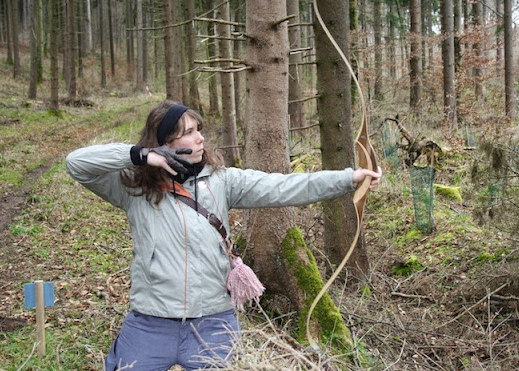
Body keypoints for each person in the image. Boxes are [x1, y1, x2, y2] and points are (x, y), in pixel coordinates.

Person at [66, 100, 382, 370]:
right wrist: (141, 155)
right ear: (164, 143)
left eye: (198, 129)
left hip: (213, 322)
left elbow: (283, 186)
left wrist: (348, 178)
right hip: (151, 322)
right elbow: (76, 164)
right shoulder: (134, 187)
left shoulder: (221, 181)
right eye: (188, 132)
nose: (200, 137)